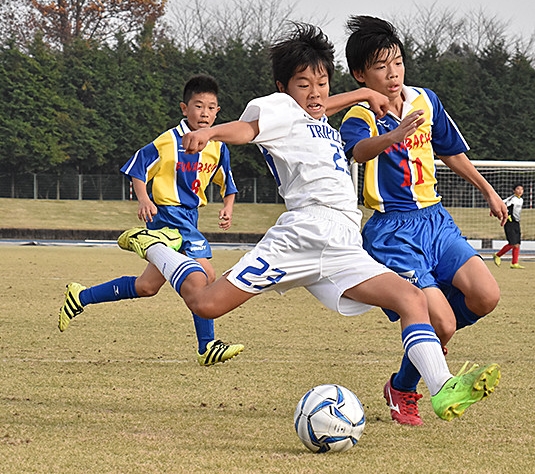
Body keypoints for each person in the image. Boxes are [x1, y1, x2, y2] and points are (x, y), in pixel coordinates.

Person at [116, 22, 500, 423]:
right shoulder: (280, 109)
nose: (315, 92)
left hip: (343, 242)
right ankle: (158, 248)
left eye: (321, 82)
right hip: (303, 235)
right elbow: (248, 130)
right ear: (284, 88)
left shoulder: (319, 116)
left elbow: (323, 104)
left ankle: (440, 389)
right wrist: (212, 132)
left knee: (411, 299)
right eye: (303, 84)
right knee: (206, 304)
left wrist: (367, 92)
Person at [339, 15, 507, 426]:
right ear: (361, 75)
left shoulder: (425, 100)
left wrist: (487, 190)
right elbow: (358, 152)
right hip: (393, 230)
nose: (392, 72)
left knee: (486, 296)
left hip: (436, 221)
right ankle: (405, 387)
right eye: (380, 66)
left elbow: (451, 150)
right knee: (442, 322)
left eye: (396, 61)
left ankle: (422, 348)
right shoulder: (360, 114)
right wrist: (394, 136)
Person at [58, 74, 245, 366]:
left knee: (147, 287)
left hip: (190, 218)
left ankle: (80, 297)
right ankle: (206, 346)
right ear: (185, 108)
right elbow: (138, 167)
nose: (205, 113)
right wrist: (144, 199)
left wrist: (228, 207)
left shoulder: (218, 146)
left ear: (218, 112)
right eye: (198, 106)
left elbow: (228, 183)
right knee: (205, 276)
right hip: (168, 216)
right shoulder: (168, 141)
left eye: (211, 107)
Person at [494, 182, 525, 269]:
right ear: (514, 190)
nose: (520, 191)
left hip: (516, 222)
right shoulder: (512, 199)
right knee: (513, 243)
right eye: (518, 189)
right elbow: (501, 204)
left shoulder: (521, 200)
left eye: (521, 189)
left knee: (517, 244)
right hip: (509, 222)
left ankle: (514, 263)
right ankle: (497, 255)